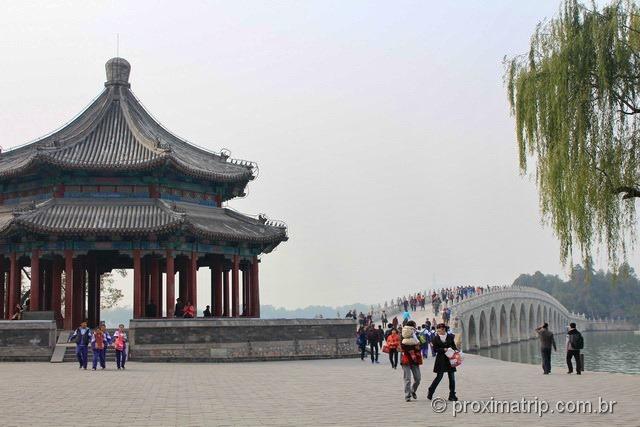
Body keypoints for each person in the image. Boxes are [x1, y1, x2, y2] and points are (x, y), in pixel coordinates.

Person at [427, 323, 458, 401]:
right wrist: (443, 349)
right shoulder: (435, 338)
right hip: (441, 359)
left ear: (444, 329)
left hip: (450, 358)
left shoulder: (450, 337)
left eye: (440, 329)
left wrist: (455, 350)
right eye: (438, 330)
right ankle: (431, 390)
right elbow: (435, 349)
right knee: (439, 377)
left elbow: (454, 346)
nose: (438, 331)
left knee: (452, 378)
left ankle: (452, 395)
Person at [400, 320, 422, 401]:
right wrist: (412, 347)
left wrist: (418, 345)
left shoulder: (417, 335)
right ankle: (407, 395)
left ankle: (413, 390)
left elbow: (422, 344)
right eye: (414, 326)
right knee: (407, 378)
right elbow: (401, 347)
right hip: (405, 359)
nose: (415, 328)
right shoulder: (403, 335)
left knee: (418, 378)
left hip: (415, 359)